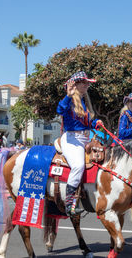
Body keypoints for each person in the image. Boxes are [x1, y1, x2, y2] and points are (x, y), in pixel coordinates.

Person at [57, 71, 102, 216]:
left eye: (87, 83)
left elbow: (87, 122)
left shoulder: (84, 101)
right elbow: (60, 110)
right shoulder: (69, 100)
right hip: (71, 140)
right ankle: (68, 203)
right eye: (83, 82)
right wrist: (68, 95)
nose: (87, 85)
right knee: (78, 165)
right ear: (75, 85)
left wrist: (96, 123)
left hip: (85, 139)